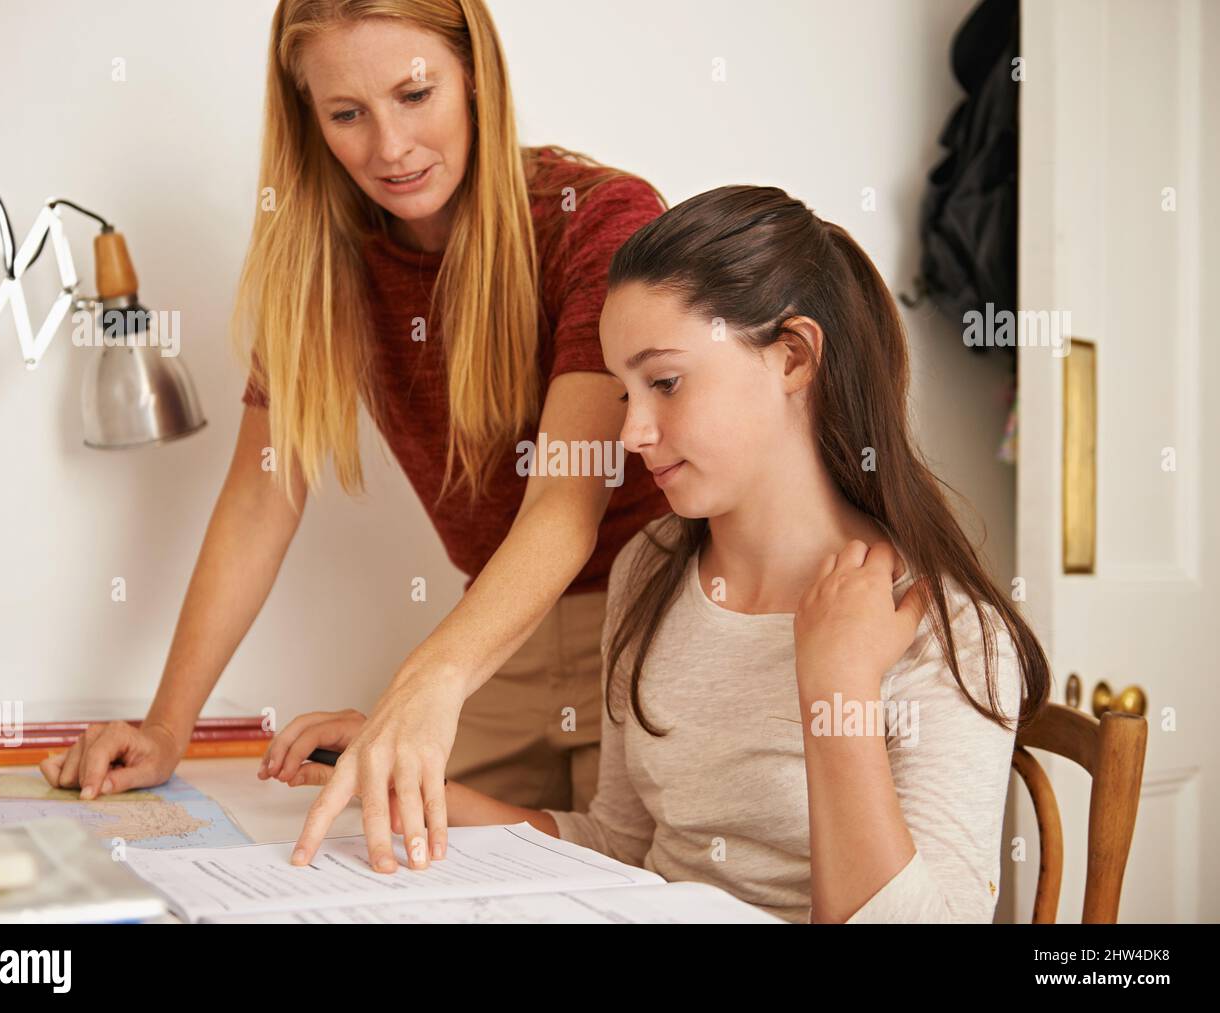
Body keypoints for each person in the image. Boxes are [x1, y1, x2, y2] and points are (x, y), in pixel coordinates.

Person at [40, 0, 671, 877]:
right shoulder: (324, 259)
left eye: (415, 94)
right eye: (347, 114)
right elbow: (264, 493)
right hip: (505, 642)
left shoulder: (594, 221)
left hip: (658, 626)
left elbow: (565, 503)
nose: (390, 148)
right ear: (309, 117)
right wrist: (164, 725)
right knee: (403, 863)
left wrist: (420, 685)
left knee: (639, 880)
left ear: (475, 75)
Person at [351, 185, 1053, 921]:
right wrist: (412, 781)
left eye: (666, 382)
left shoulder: (946, 628)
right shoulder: (650, 568)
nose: (633, 434)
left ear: (792, 357)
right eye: (627, 393)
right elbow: (622, 845)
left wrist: (837, 683)